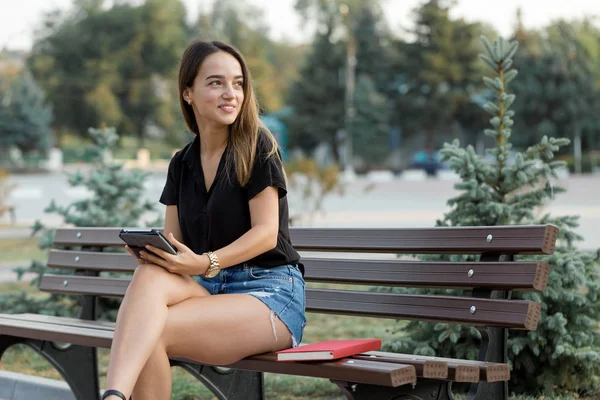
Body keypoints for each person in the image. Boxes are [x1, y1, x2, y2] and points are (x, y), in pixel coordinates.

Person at [102, 40, 306, 400]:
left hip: (269, 293)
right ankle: (114, 396)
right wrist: (157, 254)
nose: (231, 93)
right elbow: (172, 239)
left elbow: (266, 234)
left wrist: (204, 261)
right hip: (212, 292)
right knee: (149, 274)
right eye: (216, 83)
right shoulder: (182, 163)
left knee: (151, 333)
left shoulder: (257, 146)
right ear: (188, 93)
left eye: (238, 83)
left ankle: (114, 396)